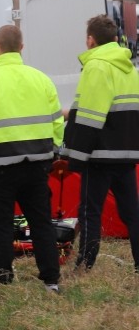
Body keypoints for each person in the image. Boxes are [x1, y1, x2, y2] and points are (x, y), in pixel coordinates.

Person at [0, 25, 63, 291]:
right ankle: (51, 279)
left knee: (0, 226)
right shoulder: (42, 80)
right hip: (36, 166)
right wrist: (52, 153)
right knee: (41, 223)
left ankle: (3, 279)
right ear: (21, 47)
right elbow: (57, 123)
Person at [62, 14, 139, 273]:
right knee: (132, 212)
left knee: (90, 211)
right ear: (116, 40)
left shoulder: (96, 67)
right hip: (127, 153)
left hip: (99, 154)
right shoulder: (129, 68)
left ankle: (85, 264)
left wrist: (76, 156)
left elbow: (91, 116)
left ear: (90, 40)